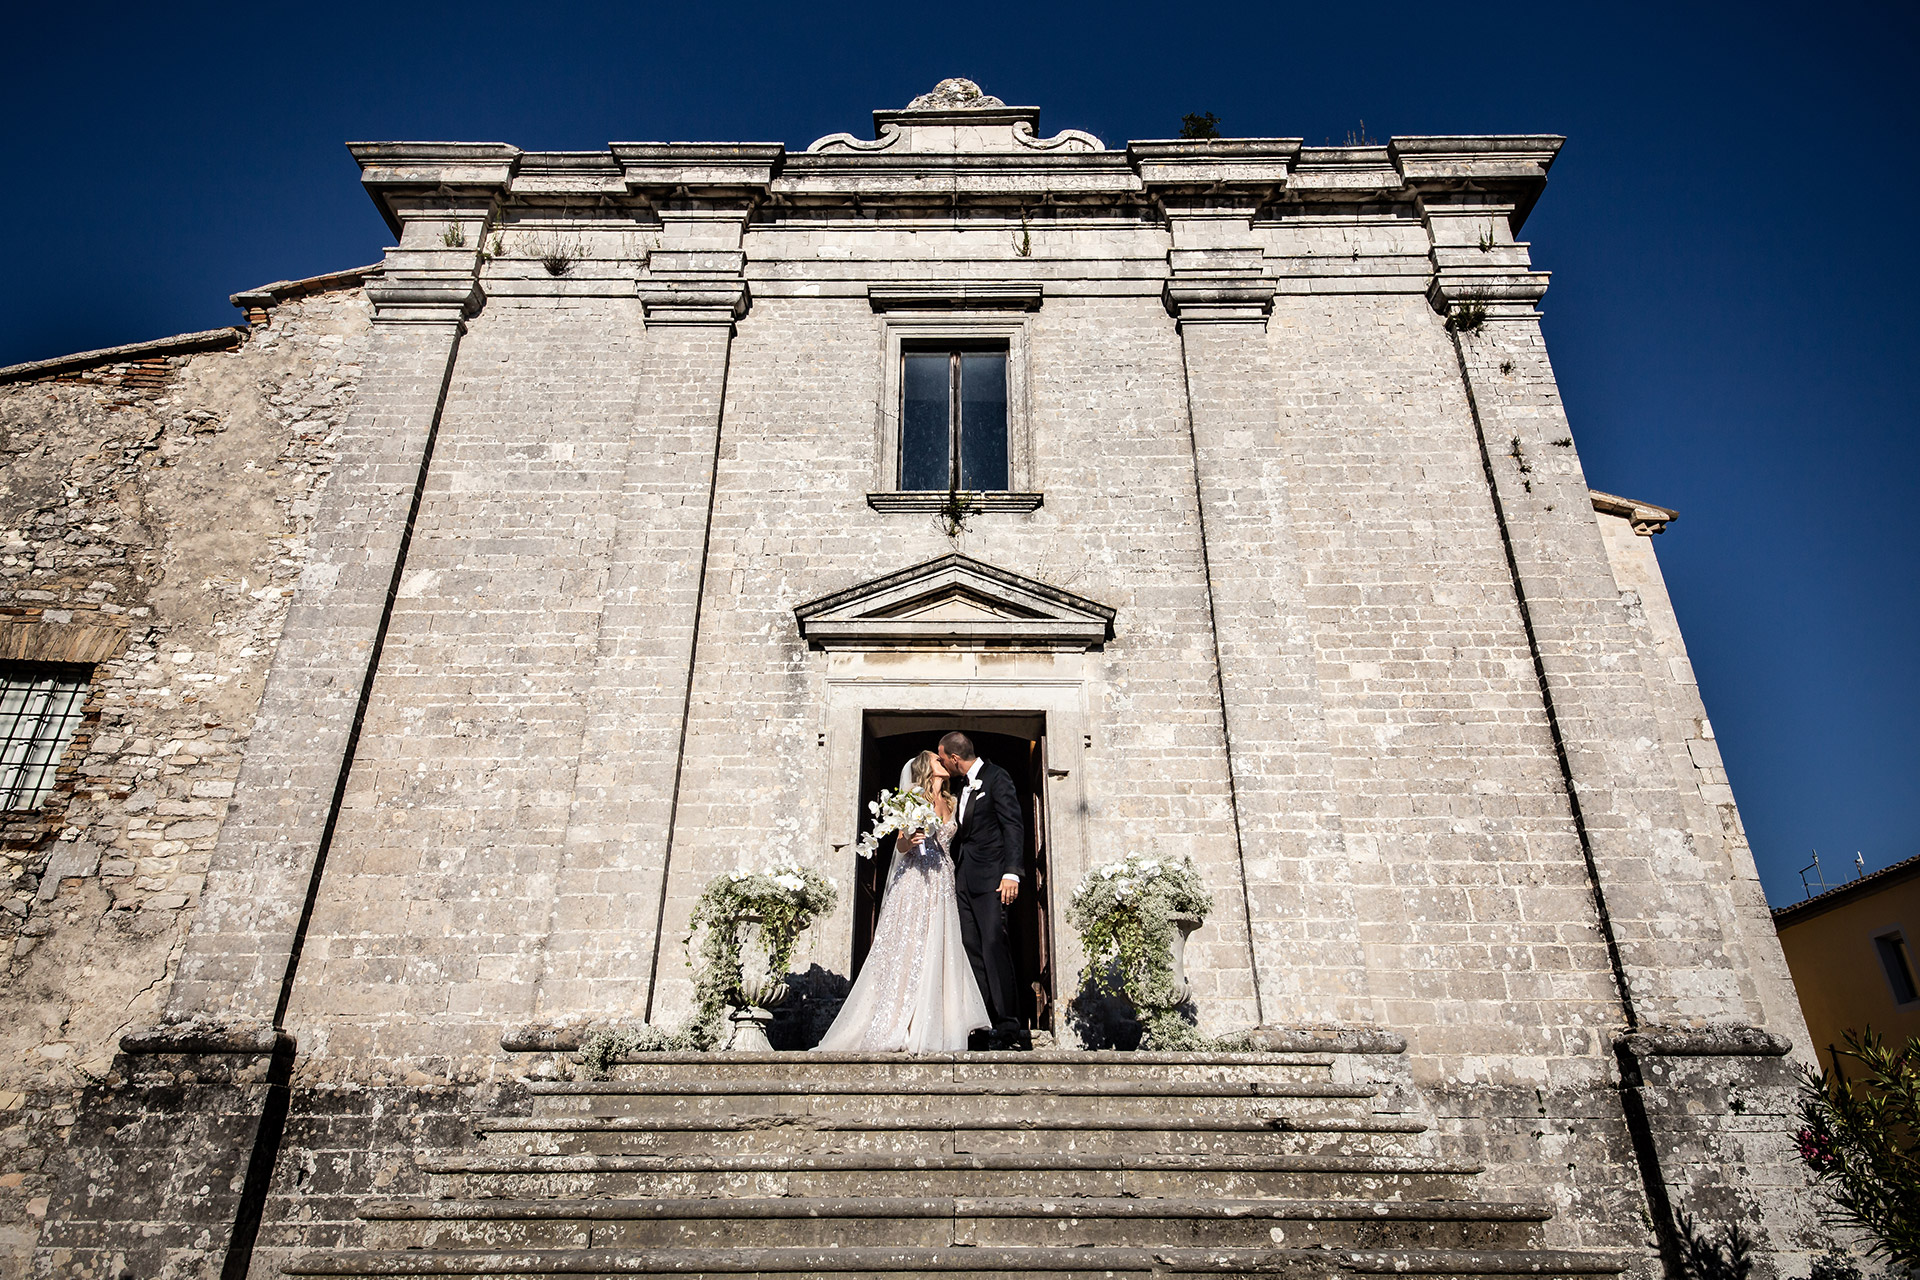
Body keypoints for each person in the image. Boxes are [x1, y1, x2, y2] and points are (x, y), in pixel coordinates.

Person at [814, 749, 990, 1052]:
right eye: (938, 760)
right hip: (916, 879)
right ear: (926, 768)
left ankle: (937, 1022)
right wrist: (910, 840)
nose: (944, 763)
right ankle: (901, 1021)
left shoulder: (951, 801)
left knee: (940, 944)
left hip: (943, 878)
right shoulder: (912, 800)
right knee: (910, 944)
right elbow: (900, 843)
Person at [936, 731, 1032, 1051]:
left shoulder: (996, 777)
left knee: (994, 945)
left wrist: (1012, 873)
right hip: (963, 880)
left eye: (943, 758)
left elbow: (1013, 826)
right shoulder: (958, 788)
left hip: (993, 878)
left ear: (954, 758)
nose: (943, 765)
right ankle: (980, 1022)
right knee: (970, 950)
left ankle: (1009, 1027)